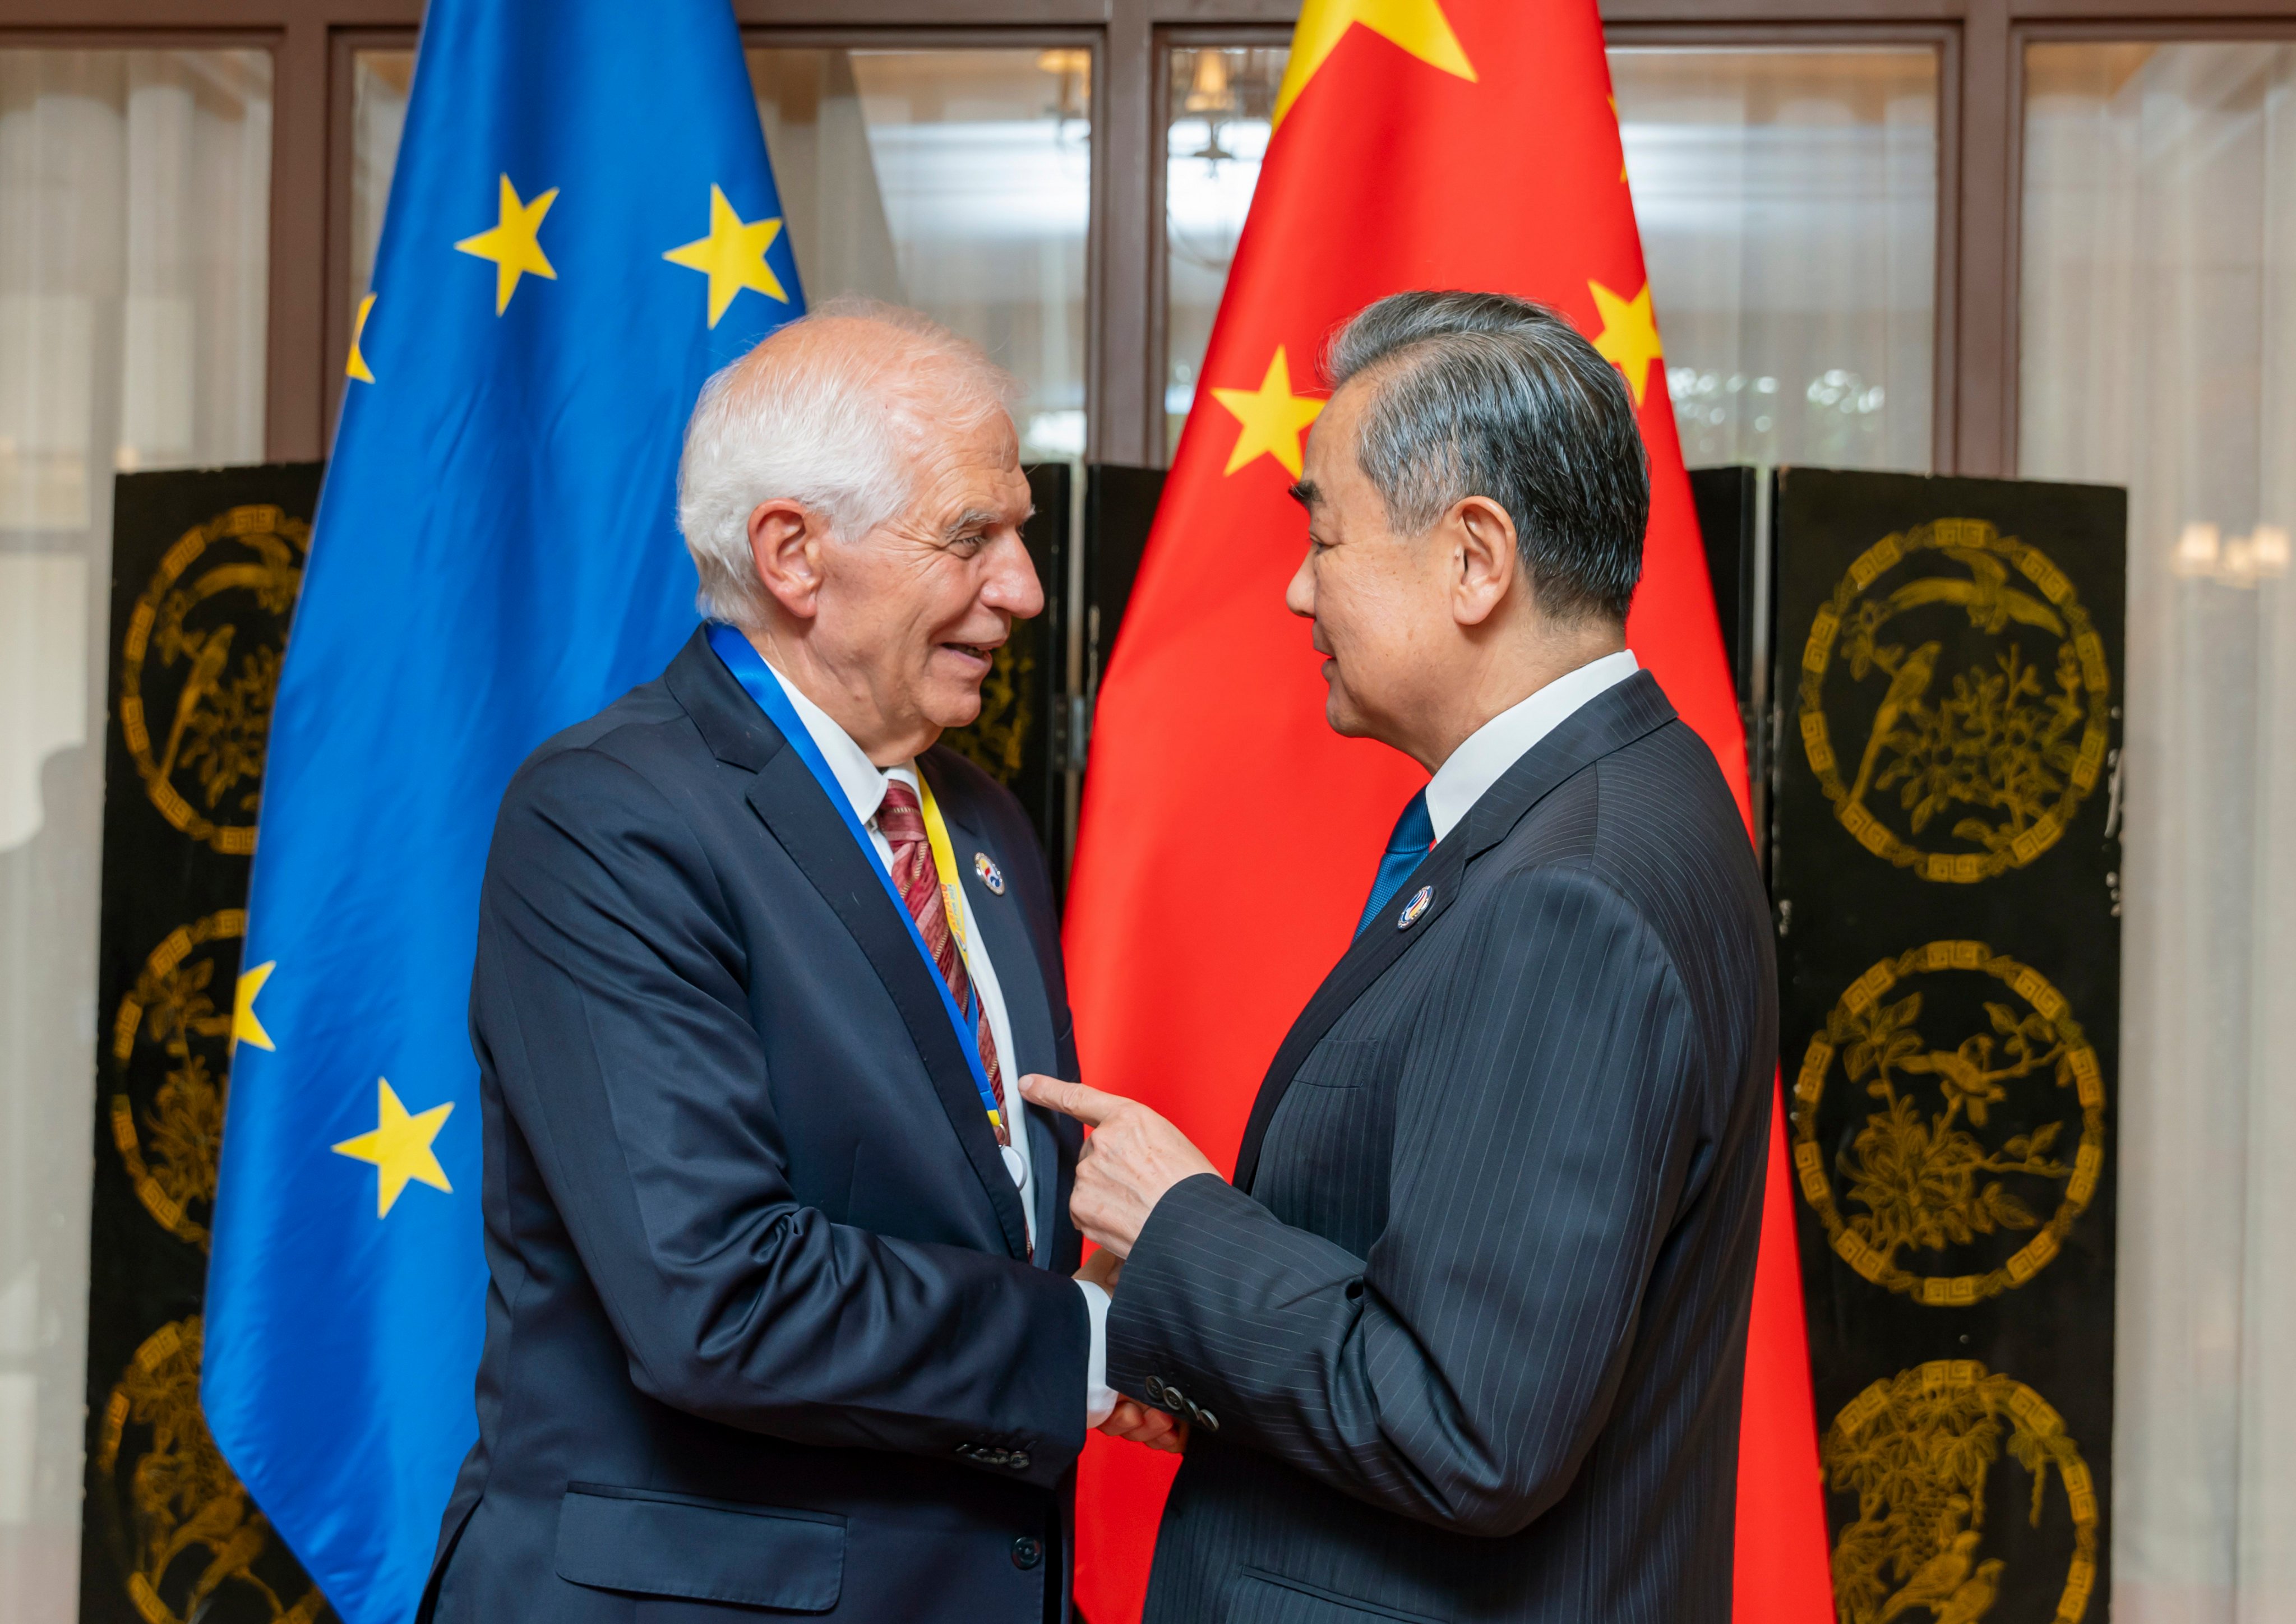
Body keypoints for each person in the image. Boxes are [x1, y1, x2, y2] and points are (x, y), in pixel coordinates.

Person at [1022, 290, 1777, 1622]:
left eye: (1321, 532)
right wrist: (1206, 1339)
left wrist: (1179, 1233)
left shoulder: (1569, 895)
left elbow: (1468, 1428)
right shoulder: (1626, 790)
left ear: (1473, 559)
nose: (1297, 586)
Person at [420, 299, 1115, 1624]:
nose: (1022, 587)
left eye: (1017, 534)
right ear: (793, 554)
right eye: (972, 536)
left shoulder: (978, 825)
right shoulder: (608, 817)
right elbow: (716, 1299)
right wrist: (1084, 1345)